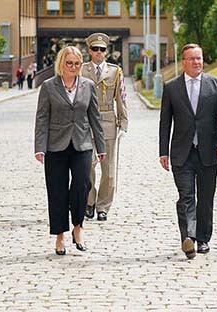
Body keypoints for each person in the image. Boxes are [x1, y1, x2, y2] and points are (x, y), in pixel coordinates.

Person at [159, 43, 217, 260]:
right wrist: (163, 151)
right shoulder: (172, 87)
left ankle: (203, 238)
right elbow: (165, 122)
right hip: (182, 152)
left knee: (205, 197)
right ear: (183, 62)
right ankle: (188, 237)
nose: (196, 62)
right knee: (186, 196)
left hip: (209, 151)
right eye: (192, 59)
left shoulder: (216, 84)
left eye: (199, 58)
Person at [34, 46, 106, 255]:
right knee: (56, 191)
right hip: (55, 145)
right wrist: (40, 147)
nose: (73, 67)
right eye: (69, 63)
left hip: (82, 144)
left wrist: (100, 146)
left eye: (76, 64)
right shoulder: (48, 87)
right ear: (61, 64)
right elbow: (42, 118)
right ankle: (59, 236)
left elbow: (95, 118)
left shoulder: (88, 86)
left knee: (82, 186)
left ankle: (78, 227)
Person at [82, 33, 129, 222]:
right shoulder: (82, 71)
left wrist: (123, 124)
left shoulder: (115, 71)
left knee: (108, 169)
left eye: (102, 49)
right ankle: (89, 201)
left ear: (106, 51)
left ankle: (103, 207)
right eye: (95, 49)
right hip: (85, 123)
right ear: (89, 51)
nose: (99, 53)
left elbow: (121, 98)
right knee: (87, 166)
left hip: (108, 122)